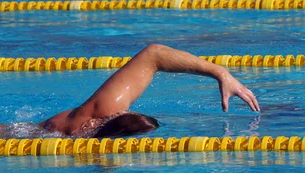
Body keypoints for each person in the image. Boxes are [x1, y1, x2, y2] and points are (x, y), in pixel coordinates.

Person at [38, 44, 260, 138]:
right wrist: (220, 73)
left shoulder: (100, 114)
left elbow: (153, 54)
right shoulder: (102, 110)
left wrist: (221, 73)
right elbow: (154, 54)